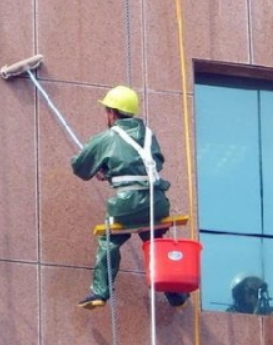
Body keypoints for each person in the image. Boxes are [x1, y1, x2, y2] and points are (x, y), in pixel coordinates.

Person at [71, 85, 189, 310]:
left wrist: (102, 169)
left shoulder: (107, 137)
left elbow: (81, 168)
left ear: (112, 112)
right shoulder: (149, 135)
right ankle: (176, 294)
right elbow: (156, 163)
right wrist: (113, 172)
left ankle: (100, 292)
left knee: (109, 240)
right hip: (157, 201)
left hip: (127, 204)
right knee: (153, 239)